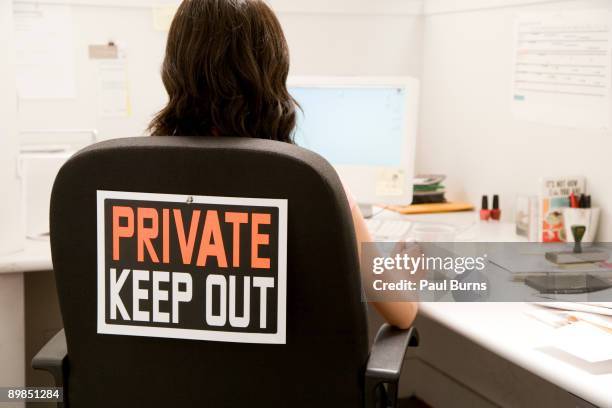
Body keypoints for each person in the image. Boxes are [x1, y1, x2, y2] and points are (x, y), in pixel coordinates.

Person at [148, 0, 417, 329]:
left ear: (174, 67)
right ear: (272, 72)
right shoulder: (308, 183)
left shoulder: (136, 176)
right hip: (285, 380)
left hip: (166, 379)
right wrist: (404, 270)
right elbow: (402, 313)